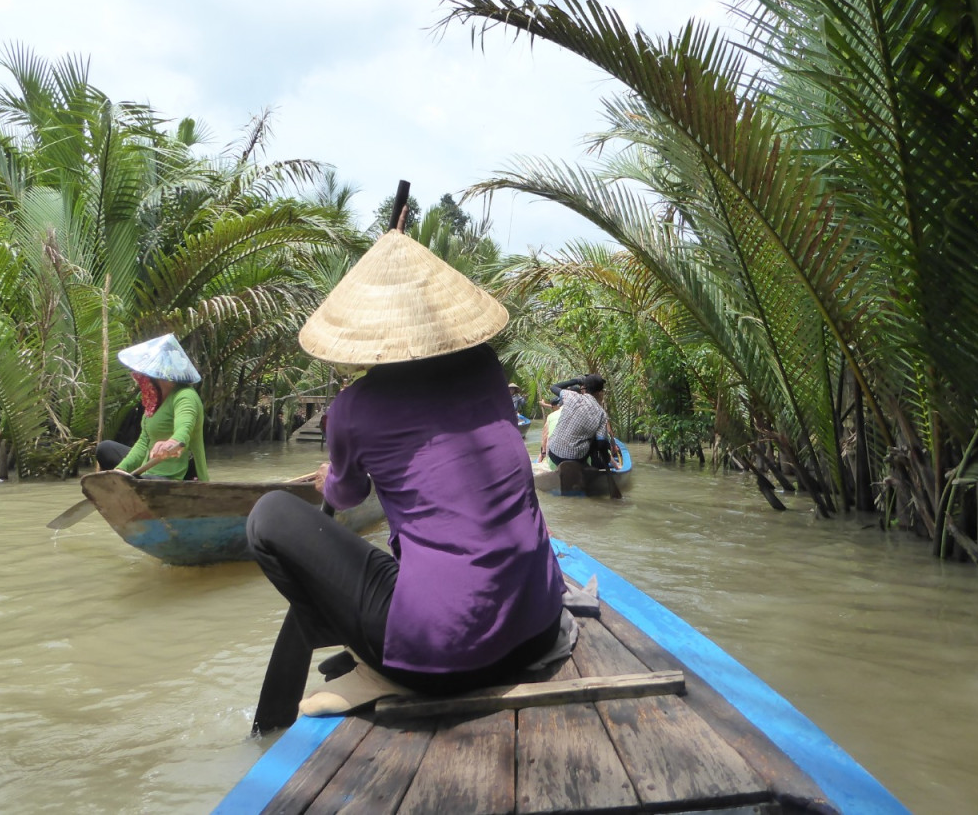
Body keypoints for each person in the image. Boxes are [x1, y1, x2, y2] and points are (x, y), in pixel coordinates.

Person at [245, 228, 567, 733]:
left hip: (448, 657)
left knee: (268, 515)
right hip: (541, 625)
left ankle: (378, 662)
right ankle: (375, 646)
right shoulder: (485, 366)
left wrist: (330, 478)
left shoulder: (354, 406)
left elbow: (347, 496)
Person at [95, 333, 209, 481]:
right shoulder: (155, 399)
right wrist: (120, 470)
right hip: (150, 469)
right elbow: (144, 443)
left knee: (145, 482)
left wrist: (172, 443)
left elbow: (184, 429)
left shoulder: (185, 396)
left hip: (175, 476)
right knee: (105, 449)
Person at [546, 373, 615, 469]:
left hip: (553, 453)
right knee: (597, 438)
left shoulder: (571, 396)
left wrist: (576, 381)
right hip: (575, 459)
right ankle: (591, 467)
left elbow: (554, 387)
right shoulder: (601, 414)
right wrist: (606, 460)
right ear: (600, 393)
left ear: (584, 388)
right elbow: (601, 444)